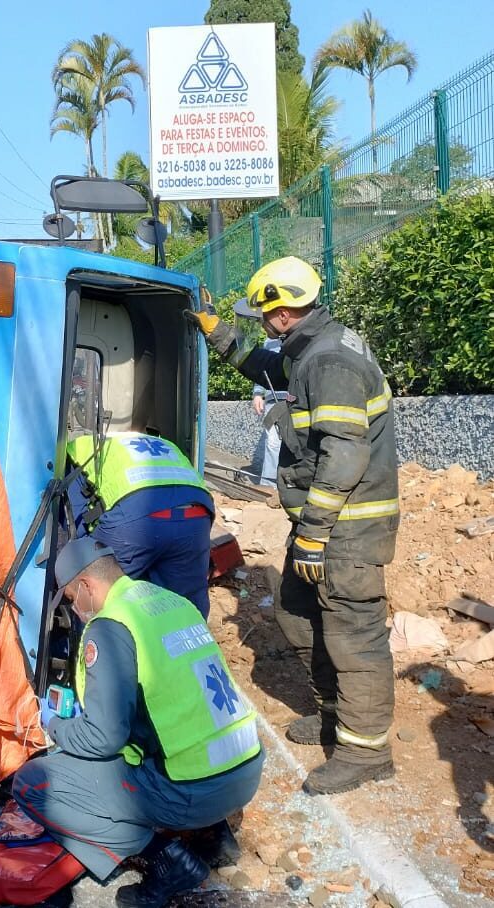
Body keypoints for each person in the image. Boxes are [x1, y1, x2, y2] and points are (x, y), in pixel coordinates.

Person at [186, 256, 399, 795]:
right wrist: (221, 334)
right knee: (299, 612)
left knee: (354, 634)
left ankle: (366, 750)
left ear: (283, 312)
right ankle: (335, 714)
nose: (261, 322)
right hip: (327, 521)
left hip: (346, 527)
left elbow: (345, 456)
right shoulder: (309, 351)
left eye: (261, 314)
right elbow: (266, 366)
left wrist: (313, 534)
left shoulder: (330, 363)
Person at [14, 539, 263, 908]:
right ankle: (214, 834)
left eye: (70, 598)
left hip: (193, 790)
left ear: (86, 586)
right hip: (244, 768)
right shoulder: (171, 602)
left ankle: (166, 859)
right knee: (158, 739)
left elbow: (103, 738)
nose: (75, 609)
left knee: (34, 782)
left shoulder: (111, 626)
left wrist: (54, 725)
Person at [66, 431, 215, 617]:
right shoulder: (153, 442)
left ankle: (100, 643)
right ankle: (194, 644)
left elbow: (76, 526)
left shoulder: (73, 453)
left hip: (137, 514)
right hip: (197, 512)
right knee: (187, 608)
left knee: (97, 593)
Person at [250, 337, 285, 488]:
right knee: (272, 443)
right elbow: (262, 368)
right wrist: (258, 393)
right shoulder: (270, 341)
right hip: (273, 399)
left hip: (297, 398)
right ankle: (269, 488)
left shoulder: (304, 334)